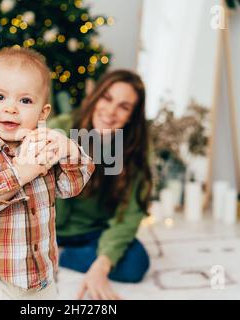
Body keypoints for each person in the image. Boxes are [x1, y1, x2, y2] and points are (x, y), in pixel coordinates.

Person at [0, 47, 95, 300]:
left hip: (38, 277)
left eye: (25, 101)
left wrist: (70, 151)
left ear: (43, 113)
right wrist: (19, 173)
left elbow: (70, 187)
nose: (11, 108)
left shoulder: (41, 145)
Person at [49, 70, 152, 300]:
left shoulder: (133, 152)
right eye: (107, 98)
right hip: (46, 231)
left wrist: (101, 265)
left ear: (131, 117)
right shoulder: (60, 129)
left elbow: (127, 217)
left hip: (92, 233)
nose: (111, 112)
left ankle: (64, 256)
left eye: (124, 107)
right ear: (95, 97)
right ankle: (53, 252)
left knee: (136, 262)